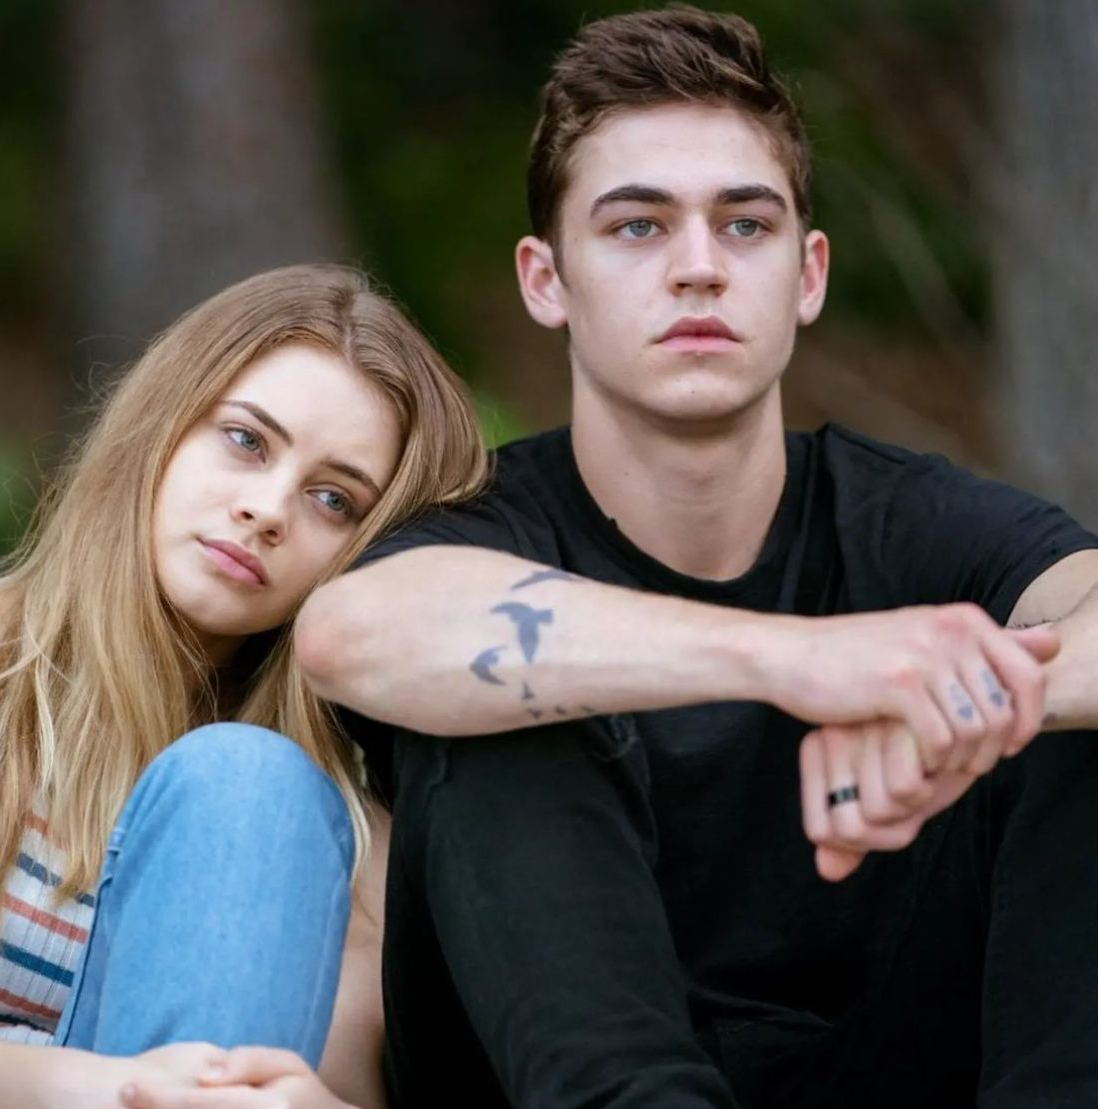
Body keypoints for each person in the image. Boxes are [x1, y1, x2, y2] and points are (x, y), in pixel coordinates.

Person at [295, 9, 1098, 1107]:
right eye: (637, 226)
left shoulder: (908, 518)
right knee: (501, 702)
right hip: (553, 1077)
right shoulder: (489, 533)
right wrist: (795, 661)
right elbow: (348, 631)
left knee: (1077, 717)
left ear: (807, 273)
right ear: (546, 279)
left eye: (745, 224)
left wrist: (964, 701)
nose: (699, 268)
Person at [0, 264, 487, 1109]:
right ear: (163, 423)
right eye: (246, 440)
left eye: (334, 499)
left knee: (251, 785)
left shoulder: (329, 845)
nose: (267, 509)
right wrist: (104, 1091)